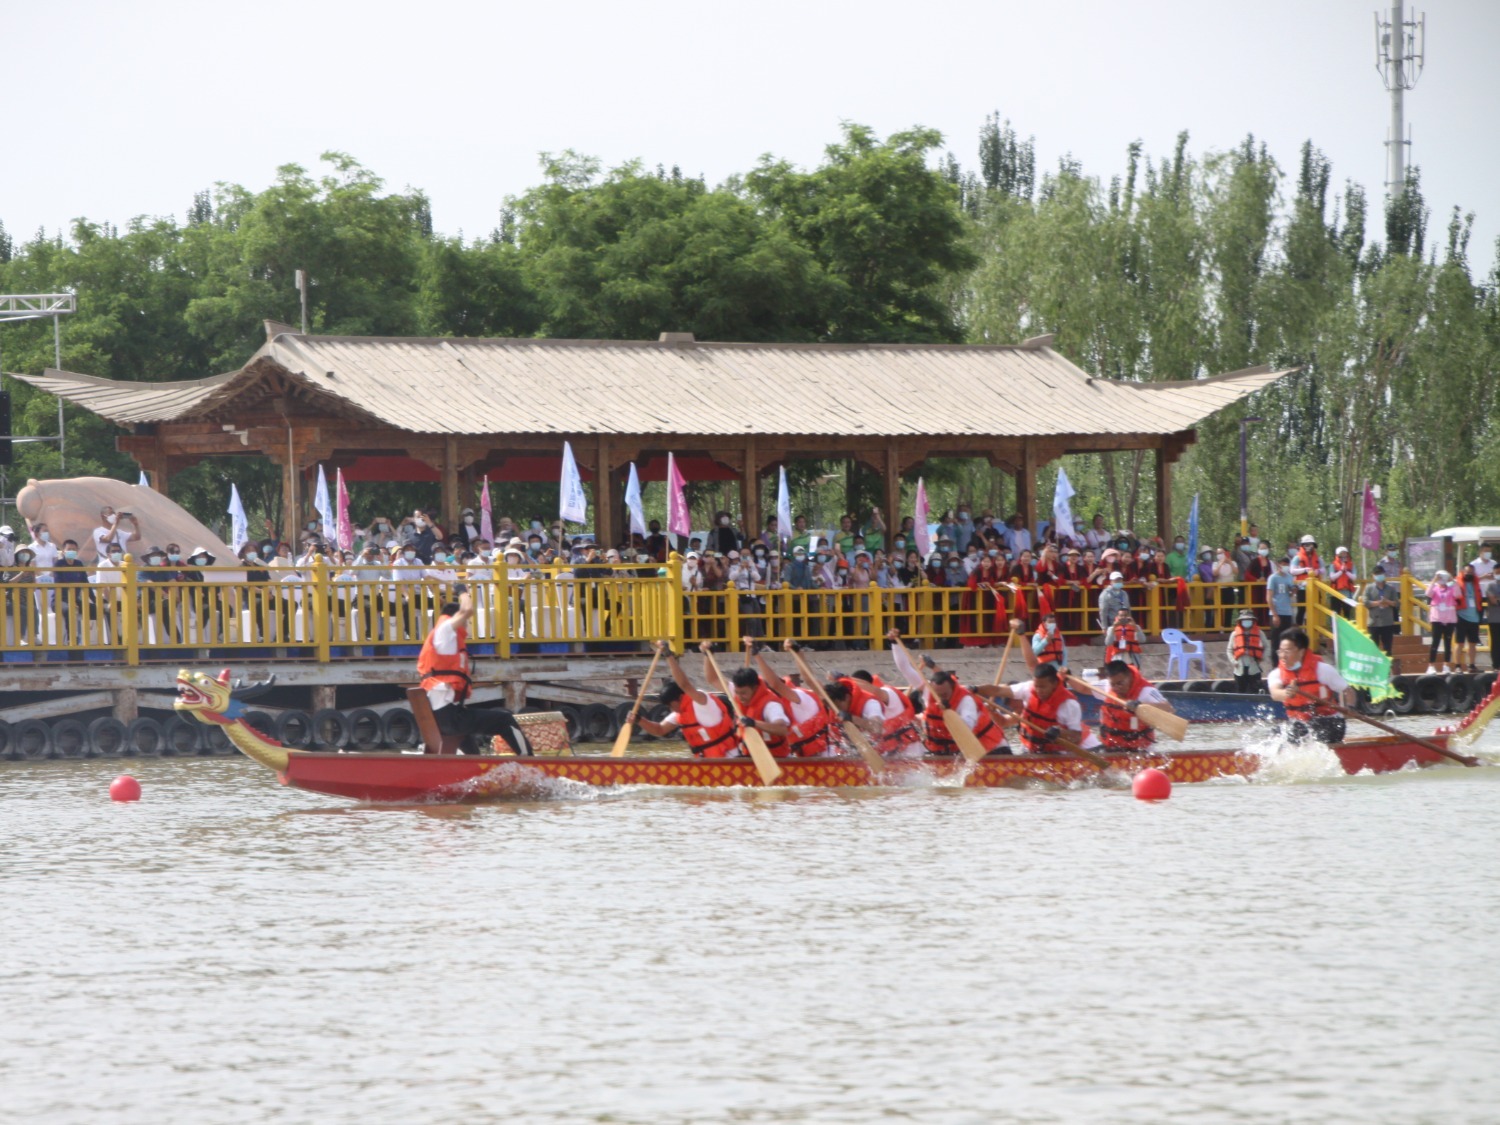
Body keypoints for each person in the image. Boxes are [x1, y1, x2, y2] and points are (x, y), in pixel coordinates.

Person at [417, 590, 528, 755]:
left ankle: (476, 766)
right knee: (505, 719)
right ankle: (533, 762)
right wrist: (463, 593)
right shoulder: (445, 629)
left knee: (469, 736)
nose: (467, 625)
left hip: (442, 716)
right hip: (449, 717)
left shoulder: (443, 638)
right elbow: (467, 610)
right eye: (466, 622)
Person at [989, 661, 1101, 755]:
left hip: (1086, 747)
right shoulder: (1026, 709)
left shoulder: (1065, 704)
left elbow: (1075, 737)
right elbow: (1003, 722)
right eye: (1011, 708)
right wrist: (992, 712)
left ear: (1020, 698)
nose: (1015, 711)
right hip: (1047, 750)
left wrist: (1060, 732)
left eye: (1015, 707)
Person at [1265, 627, 1352, 744]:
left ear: (1301, 652)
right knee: (1276, 735)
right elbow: (1275, 694)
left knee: (1303, 731)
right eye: (1280, 651)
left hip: (1330, 721)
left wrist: (1350, 709)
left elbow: (1348, 691)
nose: (1282, 656)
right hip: (1300, 724)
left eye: (1287, 651)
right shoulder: (1276, 674)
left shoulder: (1323, 670)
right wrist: (1288, 693)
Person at [1081, 659, 1174, 753]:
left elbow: (1169, 709)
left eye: (1120, 683)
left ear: (1129, 676)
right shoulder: (1107, 685)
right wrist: (1067, 676)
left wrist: (1140, 705)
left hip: (1141, 750)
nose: (1116, 688)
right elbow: (1083, 688)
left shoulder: (1147, 691)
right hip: (1112, 746)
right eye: (1113, 684)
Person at [1419, 570, 1460, 674]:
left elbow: (1458, 594)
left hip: (1449, 619)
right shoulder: (1435, 589)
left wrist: (1453, 580)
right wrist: (1434, 580)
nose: (1442, 580)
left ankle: (1446, 665)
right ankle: (1431, 665)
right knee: (1435, 642)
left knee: (1447, 642)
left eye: (1443, 577)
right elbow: (1428, 593)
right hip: (1437, 619)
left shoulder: (1451, 589)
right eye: (1440, 577)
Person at [1226, 610, 1269, 693]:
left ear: (1253, 621)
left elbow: (1267, 647)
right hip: (1239, 669)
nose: (1246, 622)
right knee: (1240, 692)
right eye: (1244, 620)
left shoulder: (1260, 633)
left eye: (1249, 619)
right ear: (1240, 621)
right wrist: (1234, 662)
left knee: (1255, 692)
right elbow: (1229, 650)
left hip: (1254, 668)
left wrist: (1263, 658)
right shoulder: (1234, 634)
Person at [1361, 567, 1399, 655]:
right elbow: (1365, 602)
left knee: (1388, 649)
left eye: (1381, 574)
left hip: (1387, 622)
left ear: (1384, 574)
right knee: (1373, 650)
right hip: (1374, 623)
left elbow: (1396, 603)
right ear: (1373, 576)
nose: (1379, 576)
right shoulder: (1369, 588)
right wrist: (1378, 603)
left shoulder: (1391, 588)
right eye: (1377, 574)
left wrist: (1388, 602)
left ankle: (1388, 668)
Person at [1454, 563, 1484, 673]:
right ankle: (1457, 666)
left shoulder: (1476, 583)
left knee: (1472, 643)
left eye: (1471, 572)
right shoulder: (1457, 583)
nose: (1469, 574)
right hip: (1461, 616)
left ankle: (1472, 665)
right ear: (1462, 572)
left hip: (1474, 618)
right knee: (1459, 643)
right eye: (1467, 572)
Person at [1266, 557, 1296, 653]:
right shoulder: (1273, 578)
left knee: (1287, 640)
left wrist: (1294, 590)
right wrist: (1274, 615)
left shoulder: (1289, 577)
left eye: (1287, 565)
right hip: (1277, 612)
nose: (1285, 567)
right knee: (1276, 641)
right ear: (1278, 565)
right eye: (1283, 564)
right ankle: (1275, 664)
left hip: (1287, 612)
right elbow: (1269, 597)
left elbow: (1291, 593)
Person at [1329, 547, 1358, 618]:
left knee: (1347, 614)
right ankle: (1335, 628)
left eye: (1345, 553)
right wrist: (1341, 571)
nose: (1343, 555)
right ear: (1337, 555)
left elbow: (1354, 577)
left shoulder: (1351, 565)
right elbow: (1332, 577)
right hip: (1335, 593)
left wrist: (1346, 571)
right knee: (1335, 614)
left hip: (1348, 593)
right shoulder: (1333, 565)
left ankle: (1347, 629)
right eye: (1341, 553)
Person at [1482, 565, 1500, 671]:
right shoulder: (1490, 585)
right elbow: (1493, 601)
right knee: (1496, 642)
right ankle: (1496, 665)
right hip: (1495, 619)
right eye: (1497, 572)